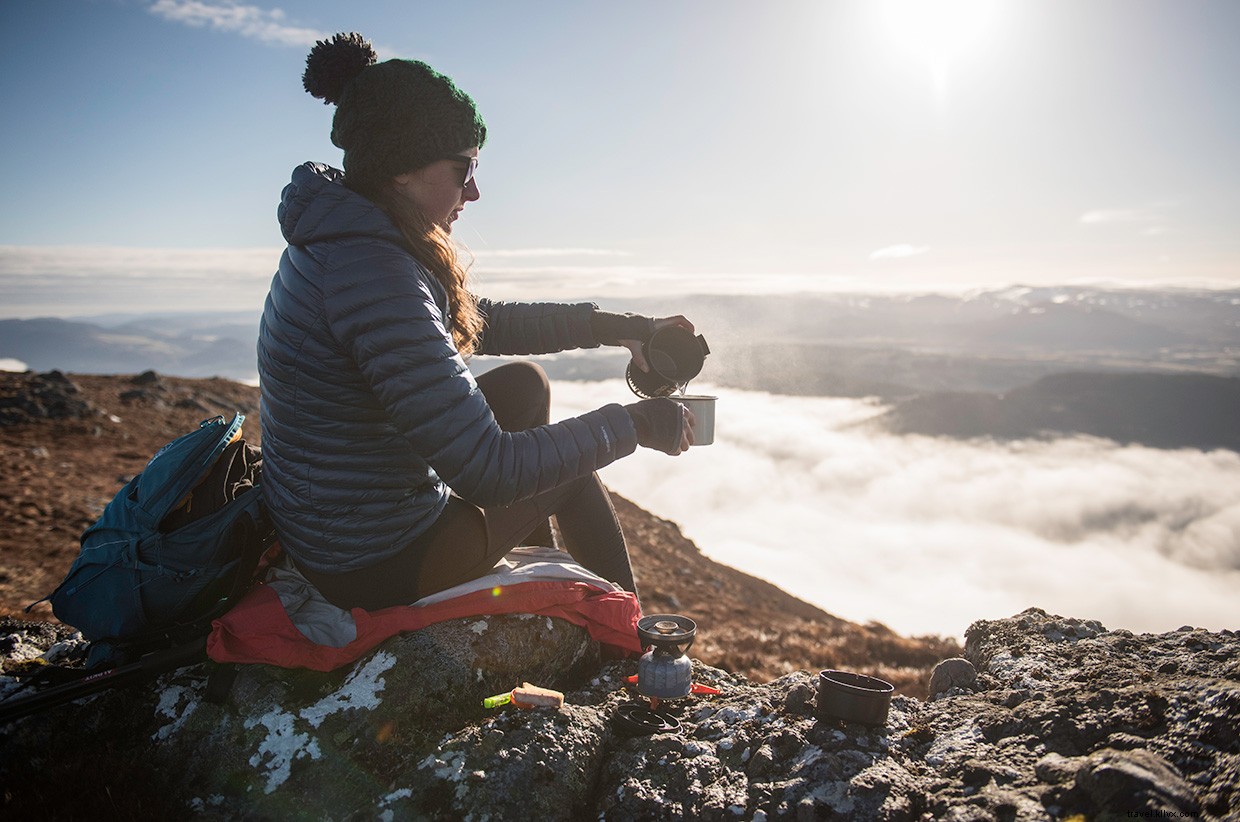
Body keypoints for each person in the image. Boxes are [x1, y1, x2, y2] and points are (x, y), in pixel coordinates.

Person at [257, 32, 695, 611]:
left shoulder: (347, 238)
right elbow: (491, 471)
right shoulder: (373, 276)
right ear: (400, 170)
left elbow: (468, 322)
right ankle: (626, 643)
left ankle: (529, 581)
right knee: (567, 473)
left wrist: (618, 326)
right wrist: (637, 425)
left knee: (522, 385)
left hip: (339, 525)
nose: (476, 190)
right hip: (374, 560)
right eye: (464, 168)